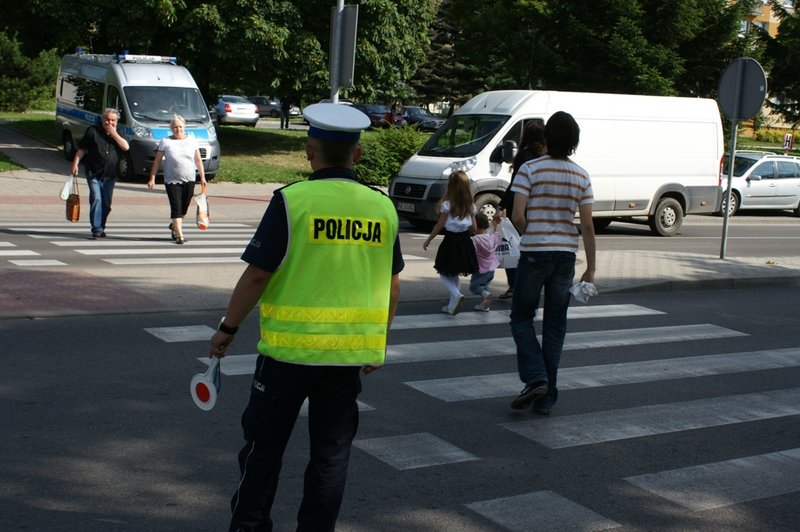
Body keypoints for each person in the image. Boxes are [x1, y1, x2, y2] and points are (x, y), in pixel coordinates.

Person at [208, 102, 404, 532]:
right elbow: (391, 285)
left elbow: (258, 274)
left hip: (286, 356)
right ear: (358, 154)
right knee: (330, 457)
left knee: (263, 450)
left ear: (309, 151)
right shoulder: (382, 208)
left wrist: (227, 329)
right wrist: (379, 343)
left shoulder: (292, 201)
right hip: (346, 358)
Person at [509, 111, 596, 416]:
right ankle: (547, 397)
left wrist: (531, 236)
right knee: (555, 325)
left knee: (521, 318)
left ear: (547, 137)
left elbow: (517, 216)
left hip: (534, 254)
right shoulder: (582, 176)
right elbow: (586, 225)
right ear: (574, 142)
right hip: (566, 258)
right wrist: (592, 268)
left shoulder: (529, 169)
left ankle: (536, 378)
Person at [497, 118, 546, 300]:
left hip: (524, 208)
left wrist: (502, 205)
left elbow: (515, 184)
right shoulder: (548, 156)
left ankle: (515, 285)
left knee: (513, 246)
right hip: (542, 209)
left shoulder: (524, 156)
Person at [422, 170, 478, 315]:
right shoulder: (470, 205)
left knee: (443, 269)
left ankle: (456, 294)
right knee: (454, 273)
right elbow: (475, 227)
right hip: (465, 239)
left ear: (451, 186)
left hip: (451, 240)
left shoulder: (447, 204)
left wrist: (429, 239)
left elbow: (440, 224)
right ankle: (452, 305)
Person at [70, 108, 130, 239]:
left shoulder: (119, 133)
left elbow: (126, 147)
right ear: (102, 120)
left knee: (107, 204)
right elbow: (82, 149)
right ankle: (96, 228)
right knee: (96, 198)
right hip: (93, 173)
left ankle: (102, 226)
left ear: (117, 121)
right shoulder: (93, 131)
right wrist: (75, 163)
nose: (109, 122)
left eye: (113, 120)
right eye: (107, 120)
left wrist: (113, 134)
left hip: (110, 175)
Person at [147, 114, 207, 244]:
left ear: (184, 127)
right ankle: (180, 235)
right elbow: (157, 161)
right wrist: (152, 177)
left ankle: (174, 226)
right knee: (176, 207)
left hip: (189, 178)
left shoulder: (191, 140)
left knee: (184, 207)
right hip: (171, 180)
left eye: (180, 127)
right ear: (171, 128)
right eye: (175, 127)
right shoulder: (165, 142)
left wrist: (202, 177)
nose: (178, 129)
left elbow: (197, 159)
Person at [469, 212, 501, 311]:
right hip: (492, 268)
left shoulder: (474, 240)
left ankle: (486, 296)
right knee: (486, 285)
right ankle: (485, 306)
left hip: (481, 269)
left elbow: (471, 253)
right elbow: (497, 235)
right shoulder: (491, 237)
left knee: (474, 287)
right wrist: (495, 225)